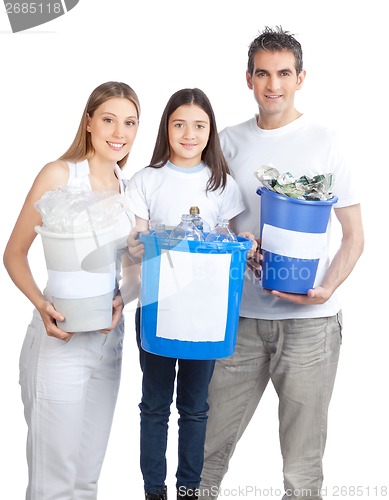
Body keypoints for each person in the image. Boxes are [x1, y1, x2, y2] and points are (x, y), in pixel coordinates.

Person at [199, 27, 365, 500]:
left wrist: (326, 288)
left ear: (301, 78)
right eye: (264, 74)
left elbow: (354, 237)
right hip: (241, 321)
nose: (274, 84)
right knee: (206, 455)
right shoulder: (227, 142)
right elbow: (211, 223)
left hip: (311, 327)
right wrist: (238, 245)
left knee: (302, 469)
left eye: (284, 73)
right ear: (248, 79)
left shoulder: (327, 142)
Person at [3, 81, 141, 500]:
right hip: (59, 336)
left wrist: (122, 300)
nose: (120, 131)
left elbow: (132, 271)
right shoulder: (59, 175)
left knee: (86, 478)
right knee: (53, 481)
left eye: (130, 122)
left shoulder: (127, 187)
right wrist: (41, 305)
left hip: (106, 340)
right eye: (109, 119)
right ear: (88, 122)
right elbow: (14, 253)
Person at [126, 88, 246, 500]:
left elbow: (228, 240)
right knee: (155, 408)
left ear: (210, 132)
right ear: (166, 128)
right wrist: (135, 245)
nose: (189, 134)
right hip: (157, 309)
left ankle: (189, 491)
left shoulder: (222, 184)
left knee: (195, 409)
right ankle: (154, 491)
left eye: (199, 126)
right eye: (179, 124)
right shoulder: (146, 179)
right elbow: (135, 238)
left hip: (207, 315)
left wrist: (241, 242)